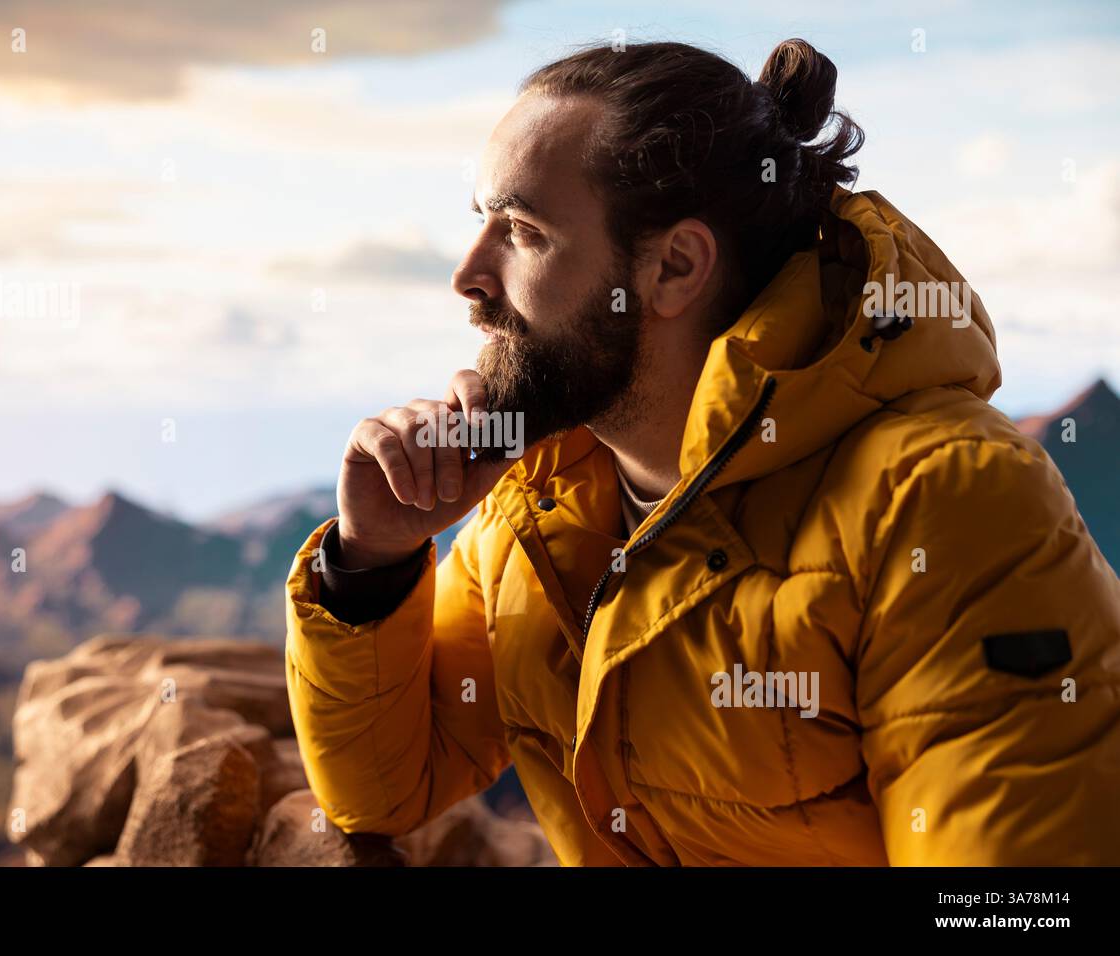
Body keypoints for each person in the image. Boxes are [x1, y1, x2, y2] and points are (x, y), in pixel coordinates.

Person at [283, 38, 1120, 865]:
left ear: (674, 268)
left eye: (523, 232)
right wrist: (374, 562)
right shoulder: (539, 496)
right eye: (482, 224)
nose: (469, 274)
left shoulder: (944, 499)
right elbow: (382, 796)